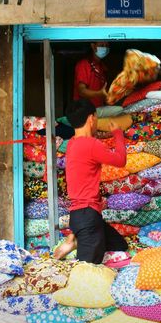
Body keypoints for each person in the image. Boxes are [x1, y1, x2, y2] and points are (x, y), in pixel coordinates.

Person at [54, 98, 128, 263]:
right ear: (91, 118)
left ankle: (73, 240)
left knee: (119, 245)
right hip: (88, 217)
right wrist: (118, 133)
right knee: (86, 269)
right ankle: (74, 240)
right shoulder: (92, 145)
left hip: (80, 216)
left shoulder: (72, 144)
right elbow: (121, 160)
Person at [73, 42, 110, 108]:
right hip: (84, 111)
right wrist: (99, 93)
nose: (105, 48)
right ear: (93, 46)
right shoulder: (84, 65)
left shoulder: (102, 67)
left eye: (107, 45)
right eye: (101, 45)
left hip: (97, 110)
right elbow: (82, 91)